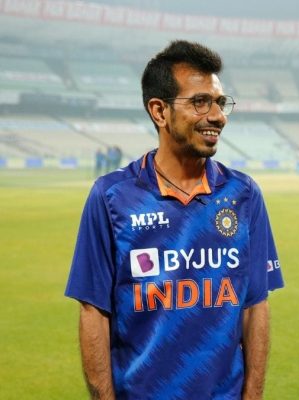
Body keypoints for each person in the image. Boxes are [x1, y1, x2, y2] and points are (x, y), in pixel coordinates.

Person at [65, 40, 284, 399]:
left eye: (220, 102)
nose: (218, 116)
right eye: (200, 102)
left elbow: (255, 306)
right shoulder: (111, 197)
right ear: (159, 111)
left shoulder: (244, 195)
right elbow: (94, 312)